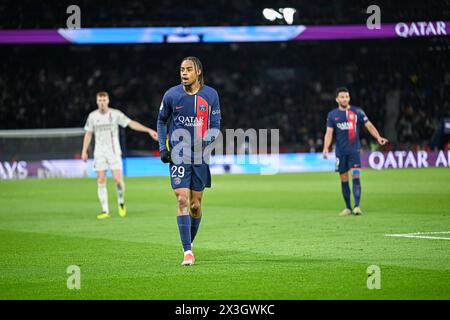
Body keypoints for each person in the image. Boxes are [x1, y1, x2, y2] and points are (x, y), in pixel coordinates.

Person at [157, 57, 221, 266]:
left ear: (198, 72)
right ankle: (187, 252)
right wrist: (162, 148)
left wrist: (205, 142)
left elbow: (215, 125)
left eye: (188, 69)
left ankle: (189, 244)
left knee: (195, 205)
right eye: (181, 70)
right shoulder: (171, 95)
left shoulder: (211, 95)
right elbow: (161, 120)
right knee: (182, 200)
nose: (184, 73)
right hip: (178, 154)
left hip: (200, 156)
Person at [81, 91, 158, 219]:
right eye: (99, 100)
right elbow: (88, 134)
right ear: (97, 102)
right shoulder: (92, 116)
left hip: (114, 152)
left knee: (118, 180)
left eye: (104, 100)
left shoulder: (115, 114)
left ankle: (121, 202)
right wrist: (84, 150)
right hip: (99, 153)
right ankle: (105, 210)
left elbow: (131, 123)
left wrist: (148, 130)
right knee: (101, 180)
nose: (102, 102)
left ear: (108, 101)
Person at [323, 87, 388, 216]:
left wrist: (378, 137)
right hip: (340, 153)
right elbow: (329, 133)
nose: (344, 99)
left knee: (356, 176)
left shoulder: (357, 112)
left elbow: (369, 125)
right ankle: (347, 208)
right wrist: (326, 147)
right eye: (342, 97)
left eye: (346, 96)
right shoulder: (332, 115)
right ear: (337, 99)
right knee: (344, 178)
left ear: (349, 98)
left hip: (354, 151)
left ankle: (357, 206)